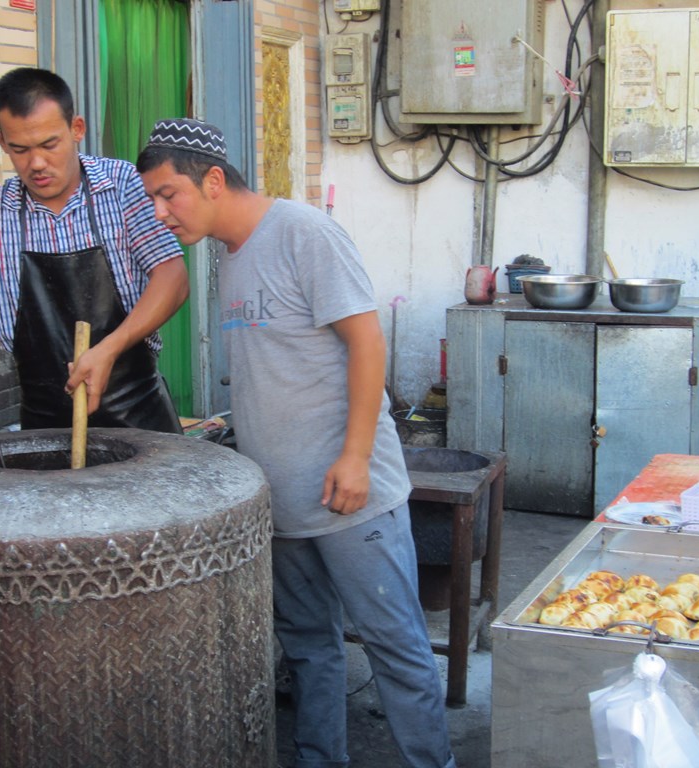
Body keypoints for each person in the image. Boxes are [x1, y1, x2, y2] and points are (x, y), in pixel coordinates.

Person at [137, 118, 456, 768]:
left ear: (215, 180)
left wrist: (356, 456)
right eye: (152, 199)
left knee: (395, 647)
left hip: (349, 499)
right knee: (309, 649)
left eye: (168, 194)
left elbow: (367, 342)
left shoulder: (302, 233)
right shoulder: (229, 258)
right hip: (280, 506)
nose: (159, 212)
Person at [0, 68, 188, 432]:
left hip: (140, 418)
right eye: (20, 149)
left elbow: (172, 277)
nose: (37, 164)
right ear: (2, 142)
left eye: (49, 144)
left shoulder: (124, 185)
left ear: (76, 129)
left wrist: (111, 347)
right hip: (45, 431)